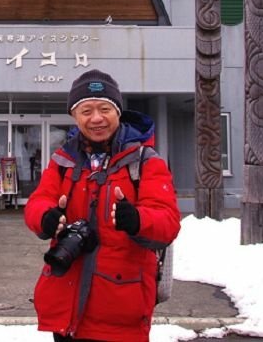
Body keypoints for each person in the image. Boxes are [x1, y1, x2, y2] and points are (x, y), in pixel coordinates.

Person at [24, 69, 181, 342]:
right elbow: (38, 201)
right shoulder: (63, 160)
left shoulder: (145, 161)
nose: (96, 118)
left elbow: (167, 221)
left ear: (118, 111)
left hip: (120, 310)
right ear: (75, 116)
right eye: (86, 110)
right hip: (65, 304)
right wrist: (46, 217)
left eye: (104, 108)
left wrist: (137, 219)